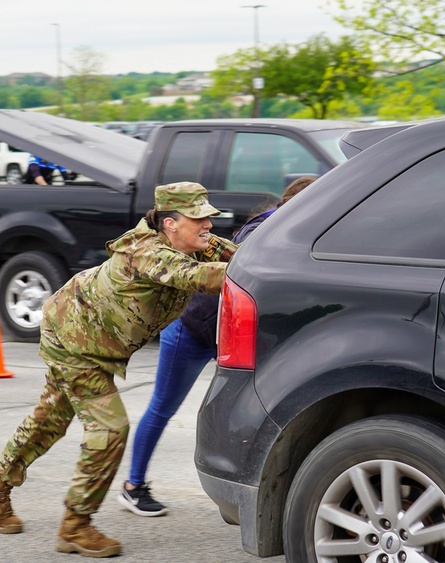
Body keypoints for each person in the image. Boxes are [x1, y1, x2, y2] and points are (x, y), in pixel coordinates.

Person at [0, 182, 236, 558]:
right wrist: (253, 273)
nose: (209, 225)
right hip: (73, 338)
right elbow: (197, 277)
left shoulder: (192, 241)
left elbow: (239, 255)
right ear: (171, 223)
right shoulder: (147, 252)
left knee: (50, 419)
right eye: (200, 219)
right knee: (110, 428)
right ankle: (75, 527)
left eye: (210, 218)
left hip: (95, 341)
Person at [118, 176, 318, 516]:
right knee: (163, 406)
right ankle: (133, 486)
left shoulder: (290, 229)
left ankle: (254, 488)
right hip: (193, 329)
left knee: (251, 408)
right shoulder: (263, 232)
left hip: (232, 334)